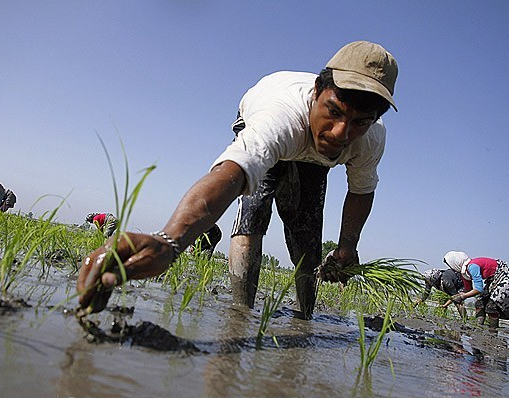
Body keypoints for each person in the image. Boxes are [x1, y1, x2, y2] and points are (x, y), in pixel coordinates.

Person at [77, 40, 399, 317]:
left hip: (313, 157)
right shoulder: (279, 118)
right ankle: (241, 312)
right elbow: (232, 174)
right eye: (335, 112)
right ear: (317, 92)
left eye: (359, 122)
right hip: (269, 123)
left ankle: (305, 318)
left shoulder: (369, 139)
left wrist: (347, 246)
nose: (341, 133)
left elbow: (361, 188)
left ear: (374, 120)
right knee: (253, 215)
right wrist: (170, 241)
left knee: (307, 240)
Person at [443, 251, 509, 329]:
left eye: (450, 265)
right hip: (492, 281)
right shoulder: (465, 273)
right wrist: (452, 299)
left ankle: (493, 331)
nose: (451, 268)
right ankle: (478, 326)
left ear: (455, 263)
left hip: (505, 278)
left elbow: (478, 289)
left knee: (492, 307)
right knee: (479, 303)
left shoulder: (472, 266)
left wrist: (462, 297)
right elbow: (468, 290)